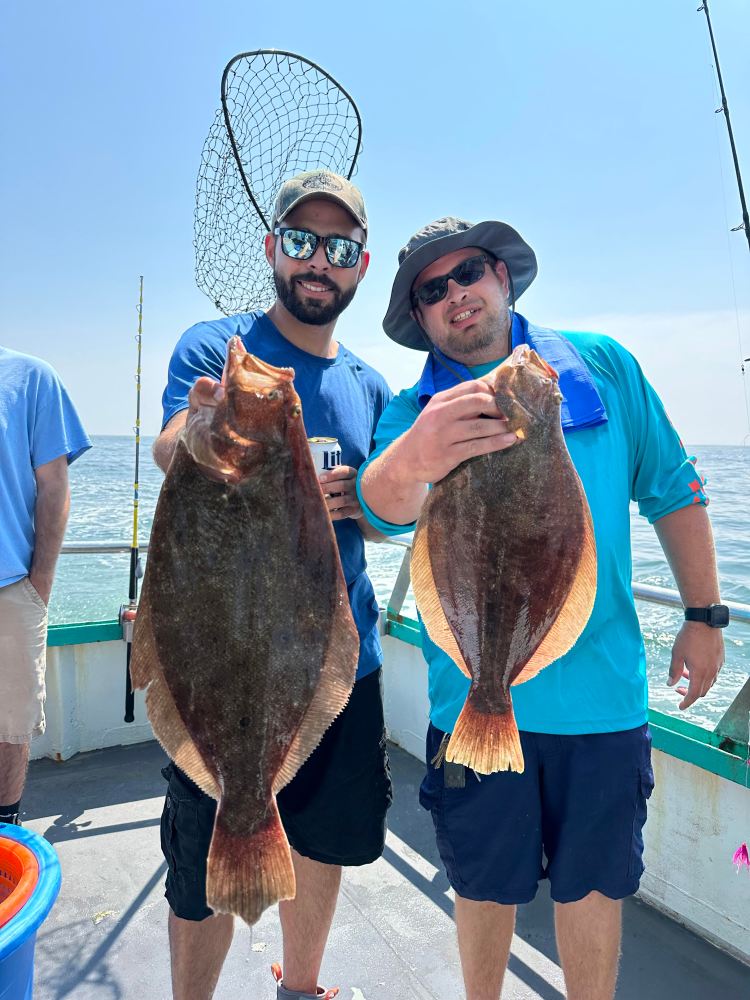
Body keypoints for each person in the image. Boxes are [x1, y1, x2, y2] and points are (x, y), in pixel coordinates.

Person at [357, 217, 726, 1000]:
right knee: (485, 885)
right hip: (474, 705)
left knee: (593, 886)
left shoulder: (602, 367)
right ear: (420, 316)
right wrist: (418, 453)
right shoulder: (413, 410)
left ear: (504, 277)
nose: (458, 293)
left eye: (472, 272)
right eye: (434, 288)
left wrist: (704, 614)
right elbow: (382, 511)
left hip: (602, 703)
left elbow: (674, 488)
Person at [152, 170, 393, 1000]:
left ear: (360, 266)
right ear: (272, 250)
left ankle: (301, 987)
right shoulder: (214, 347)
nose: (317, 262)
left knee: (321, 843)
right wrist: (211, 424)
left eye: (338, 248)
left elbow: (398, 513)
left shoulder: (370, 386)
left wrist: (363, 497)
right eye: (300, 241)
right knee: (199, 857)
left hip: (334, 666)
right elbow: (172, 442)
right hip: (221, 652)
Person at [0, 347, 91, 826]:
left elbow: (53, 485)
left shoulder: (31, 377)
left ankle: (5, 832)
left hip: (11, 585)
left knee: (10, 726)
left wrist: (40, 584)